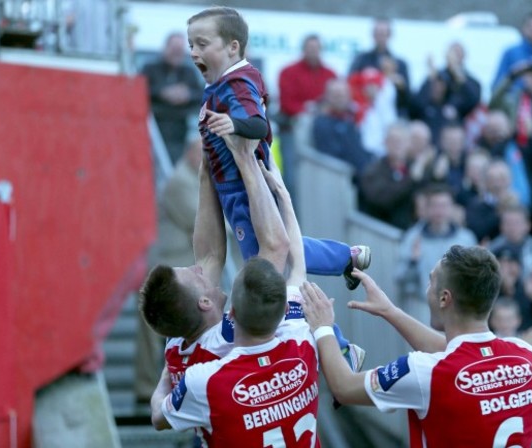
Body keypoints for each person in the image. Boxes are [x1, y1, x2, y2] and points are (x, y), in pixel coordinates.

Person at [148, 137, 336, 446]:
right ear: (209, 304)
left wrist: (207, 170)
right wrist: (247, 159)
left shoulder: (181, 348)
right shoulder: (290, 338)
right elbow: (276, 248)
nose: (198, 268)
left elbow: (208, 255)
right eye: (195, 275)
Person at [187, 6, 369, 289]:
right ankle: (346, 258)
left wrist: (233, 125)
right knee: (270, 252)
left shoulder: (237, 84)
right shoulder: (224, 83)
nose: (193, 52)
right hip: (234, 184)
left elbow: (257, 125)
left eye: (202, 44)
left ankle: (305, 314)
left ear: (233, 47)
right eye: (191, 45)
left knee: (263, 265)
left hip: (244, 187)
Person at [301, 245, 532, 447]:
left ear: (444, 298)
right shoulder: (526, 355)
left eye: (431, 281)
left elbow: (344, 387)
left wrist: (323, 327)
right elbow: (454, 353)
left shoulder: (424, 371)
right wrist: (390, 312)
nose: (428, 289)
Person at [133, 137, 202, 412]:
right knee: (153, 332)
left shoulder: (190, 180)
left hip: (178, 268)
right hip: (166, 268)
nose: (204, 159)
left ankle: (168, 384)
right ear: (188, 153)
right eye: (201, 153)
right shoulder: (179, 182)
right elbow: (199, 220)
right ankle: (145, 387)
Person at [395, 184, 477, 323]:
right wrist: (413, 262)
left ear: (452, 208)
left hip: (458, 311)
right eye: (435, 206)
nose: (439, 211)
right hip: (423, 312)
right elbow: (400, 279)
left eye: (444, 205)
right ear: (426, 209)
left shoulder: (466, 239)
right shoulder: (413, 238)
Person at [277, 34, 337, 201]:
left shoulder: (330, 74)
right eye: (310, 48)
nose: (313, 52)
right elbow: (286, 103)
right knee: (292, 179)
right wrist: (309, 109)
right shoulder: (288, 72)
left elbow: (334, 103)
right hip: (292, 131)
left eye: (316, 49)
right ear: (303, 50)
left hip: (322, 134)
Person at [142, 32, 204, 163]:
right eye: (174, 49)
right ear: (165, 48)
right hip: (154, 130)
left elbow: (200, 95)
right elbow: (139, 92)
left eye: (180, 50)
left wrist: (186, 95)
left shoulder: (188, 72)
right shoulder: (150, 69)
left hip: (179, 132)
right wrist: (163, 93)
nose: (177, 53)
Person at [311, 78, 376, 175]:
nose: (340, 98)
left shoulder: (352, 119)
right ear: (327, 97)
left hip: (365, 171)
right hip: (342, 174)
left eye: (343, 95)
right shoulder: (322, 123)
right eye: (336, 95)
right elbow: (331, 154)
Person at [349, 17, 410, 117]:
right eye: (378, 33)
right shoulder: (361, 60)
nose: (380, 37)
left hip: (391, 114)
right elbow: (350, 85)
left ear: (390, 35)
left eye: (383, 33)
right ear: (373, 35)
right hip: (364, 113)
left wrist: (400, 86)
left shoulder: (401, 64)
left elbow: (407, 99)